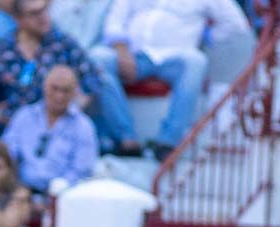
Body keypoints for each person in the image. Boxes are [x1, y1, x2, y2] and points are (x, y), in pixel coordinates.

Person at [92, 0, 250, 160]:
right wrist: (121, 48)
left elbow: (235, 23)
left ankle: (168, 142)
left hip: (177, 57)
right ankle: (125, 138)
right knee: (98, 58)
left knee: (196, 61)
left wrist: (206, 37)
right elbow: (115, 20)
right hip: (133, 55)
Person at [0, 0, 132, 150]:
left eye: (44, 10)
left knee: (106, 80)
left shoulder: (62, 43)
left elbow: (93, 76)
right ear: (18, 19)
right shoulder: (3, 49)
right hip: (18, 126)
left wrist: (78, 103)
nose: (42, 17)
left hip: (61, 126)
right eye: (34, 13)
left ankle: (127, 140)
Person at [2, 65, 98, 193]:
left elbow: (82, 170)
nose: (59, 96)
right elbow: (7, 153)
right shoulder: (24, 116)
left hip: (62, 195)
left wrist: (55, 193)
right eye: (55, 88)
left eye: (66, 90)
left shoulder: (83, 126)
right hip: (20, 192)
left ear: (75, 92)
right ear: (44, 87)